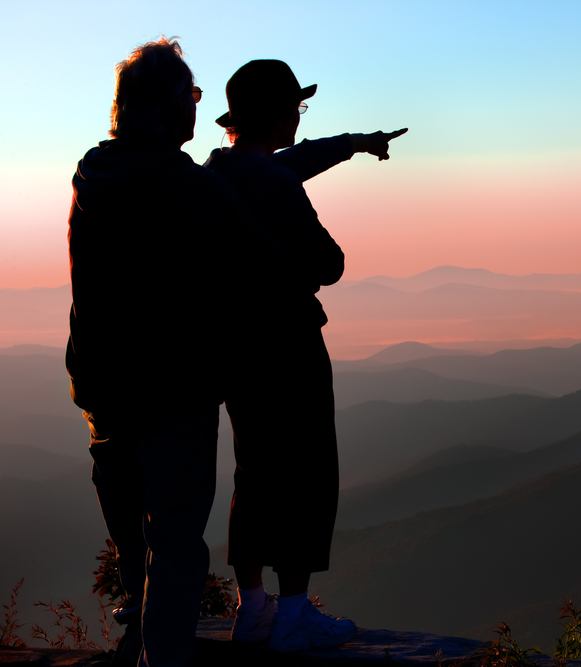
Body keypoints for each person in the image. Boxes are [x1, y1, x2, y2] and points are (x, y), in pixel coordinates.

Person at [202, 59, 406, 653]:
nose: (299, 114)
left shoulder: (217, 172)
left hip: (234, 351)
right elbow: (328, 264)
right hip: (288, 345)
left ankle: (254, 607)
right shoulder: (274, 184)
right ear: (276, 112)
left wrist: (356, 144)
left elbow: (294, 160)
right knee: (309, 470)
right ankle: (294, 614)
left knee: (255, 468)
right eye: (295, 106)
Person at [66, 38, 249, 667]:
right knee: (173, 545)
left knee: (131, 533)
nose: (198, 111)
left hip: (103, 392)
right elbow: (267, 261)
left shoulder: (93, 174)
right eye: (193, 97)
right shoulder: (184, 183)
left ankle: (136, 640)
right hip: (175, 391)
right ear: (173, 109)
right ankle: (161, 661)